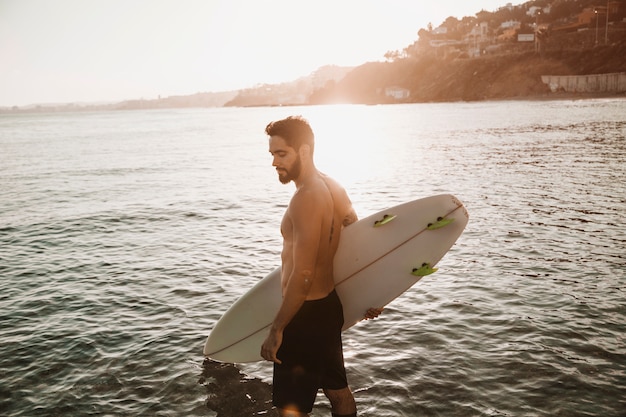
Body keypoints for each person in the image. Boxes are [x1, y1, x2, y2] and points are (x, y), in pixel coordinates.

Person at [260, 116, 383, 417]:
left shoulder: (304, 199)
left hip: (304, 318)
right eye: (272, 155)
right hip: (328, 309)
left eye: (281, 154)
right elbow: (357, 243)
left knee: (289, 409)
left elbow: (303, 276)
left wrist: (277, 329)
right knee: (338, 392)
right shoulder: (333, 187)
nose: (274, 163)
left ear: (304, 151)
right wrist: (373, 296)